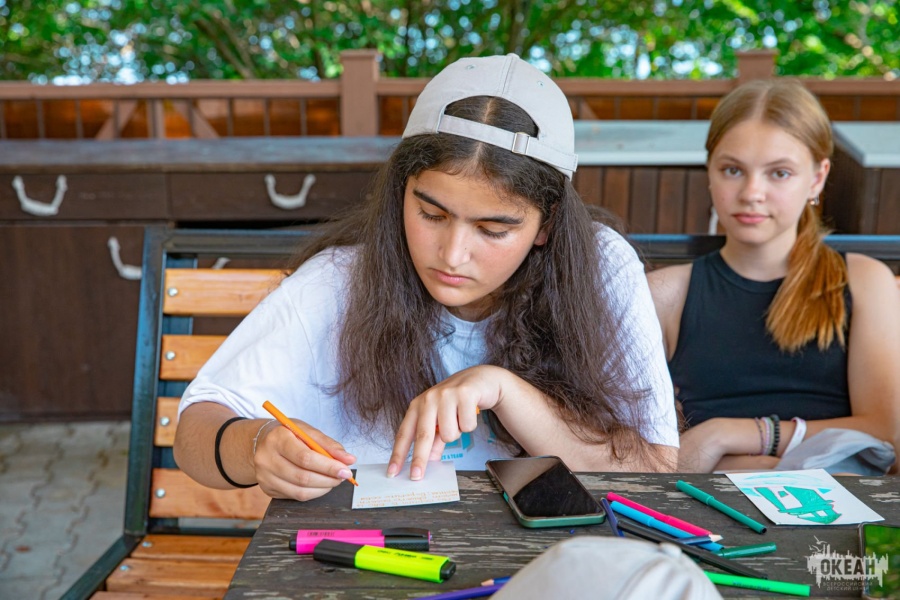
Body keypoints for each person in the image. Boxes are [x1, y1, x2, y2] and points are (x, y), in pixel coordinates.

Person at [174, 53, 679, 502]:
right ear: (401, 191)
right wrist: (256, 446)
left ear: (546, 225)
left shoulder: (602, 268)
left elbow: (653, 472)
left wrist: (503, 389)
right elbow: (196, 428)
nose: (453, 255)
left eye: (493, 229)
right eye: (431, 214)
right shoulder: (338, 282)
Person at [647, 79, 900, 474]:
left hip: (834, 504)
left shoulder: (863, 281)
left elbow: (887, 433)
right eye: (732, 170)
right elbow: (635, 442)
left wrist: (724, 435)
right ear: (710, 172)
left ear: (817, 178)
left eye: (779, 173)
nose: (752, 192)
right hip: (703, 504)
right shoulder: (665, 293)